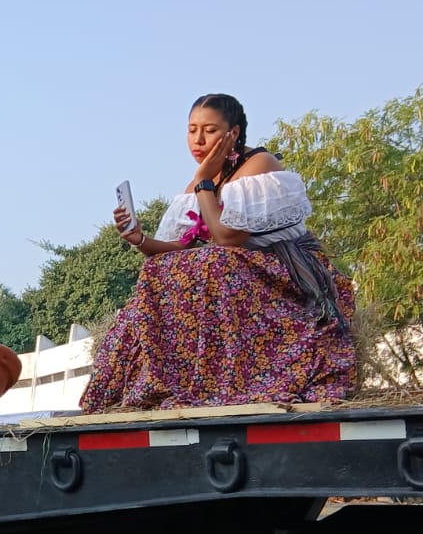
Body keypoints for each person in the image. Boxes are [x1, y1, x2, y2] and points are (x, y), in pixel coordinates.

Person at [80, 94, 356, 412]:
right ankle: (163, 384)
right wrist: (139, 238)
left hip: (281, 271)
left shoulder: (260, 166)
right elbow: (178, 249)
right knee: (156, 272)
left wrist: (204, 183)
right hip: (231, 268)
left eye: (209, 130)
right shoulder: (201, 181)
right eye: (191, 129)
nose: (197, 140)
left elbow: (226, 238)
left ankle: (235, 382)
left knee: (214, 261)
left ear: (233, 134)